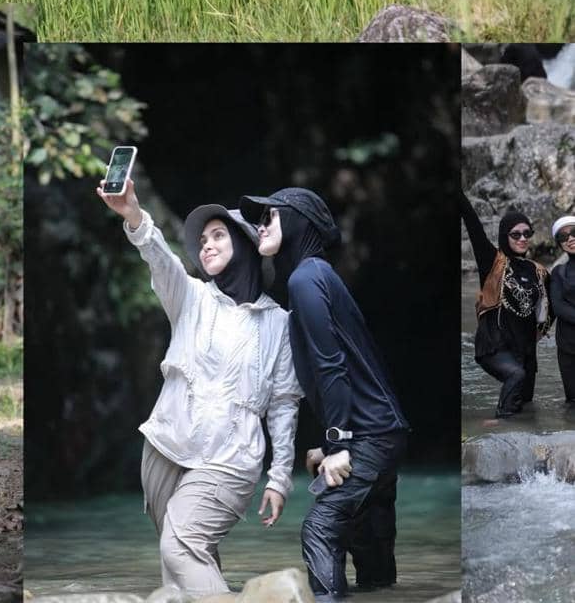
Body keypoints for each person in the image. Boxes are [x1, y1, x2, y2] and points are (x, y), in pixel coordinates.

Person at [97, 176, 301, 597]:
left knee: (180, 545)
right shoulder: (189, 296)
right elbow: (159, 257)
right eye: (203, 239)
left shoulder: (280, 323)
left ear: (245, 245)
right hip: (165, 447)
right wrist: (133, 214)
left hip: (233, 457)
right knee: (184, 561)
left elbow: (283, 404)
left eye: (218, 236)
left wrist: (280, 476)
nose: (206, 245)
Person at [241, 188, 409, 602]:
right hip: (385, 433)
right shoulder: (319, 277)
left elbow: (332, 366)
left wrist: (339, 443)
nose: (260, 225)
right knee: (368, 551)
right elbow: (354, 367)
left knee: (320, 528)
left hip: (369, 437)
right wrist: (330, 441)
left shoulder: (306, 278)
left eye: (270, 217)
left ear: (299, 223)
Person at [459, 191, 552, 418]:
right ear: (504, 236)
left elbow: (551, 309)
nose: (522, 238)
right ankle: (499, 425)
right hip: (494, 345)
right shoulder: (491, 261)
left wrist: (541, 333)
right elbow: (472, 222)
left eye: (527, 233)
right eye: (516, 234)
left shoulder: (537, 271)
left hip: (526, 351)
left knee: (526, 405)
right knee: (515, 377)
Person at [549, 215, 575, 407]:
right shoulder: (558, 272)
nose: (570, 239)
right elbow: (558, 307)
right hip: (569, 347)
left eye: (574, 232)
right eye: (563, 237)